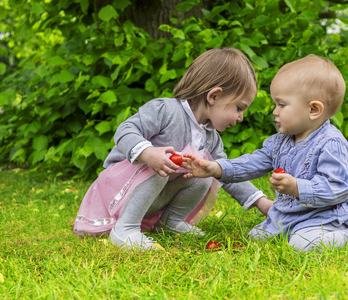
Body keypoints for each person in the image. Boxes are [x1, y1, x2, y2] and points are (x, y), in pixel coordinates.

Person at [73, 47, 273, 251]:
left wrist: (261, 202)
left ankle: (170, 222)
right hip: (119, 191)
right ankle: (125, 229)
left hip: (153, 196)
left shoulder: (211, 137)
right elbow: (125, 130)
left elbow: (226, 172)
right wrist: (149, 154)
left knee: (206, 171)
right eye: (239, 108)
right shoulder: (166, 110)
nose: (240, 118)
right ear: (213, 96)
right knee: (160, 167)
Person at [183, 54, 348, 252]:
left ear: (313, 109)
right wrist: (216, 168)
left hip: (324, 218)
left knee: (302, 244)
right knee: (256, 238)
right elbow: (252, 163)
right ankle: (291, 230)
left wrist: (297, 188)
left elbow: (338, 189)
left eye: (282, 104)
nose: (274, 112)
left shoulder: (331, 144)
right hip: (289, 215)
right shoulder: (280, 142)